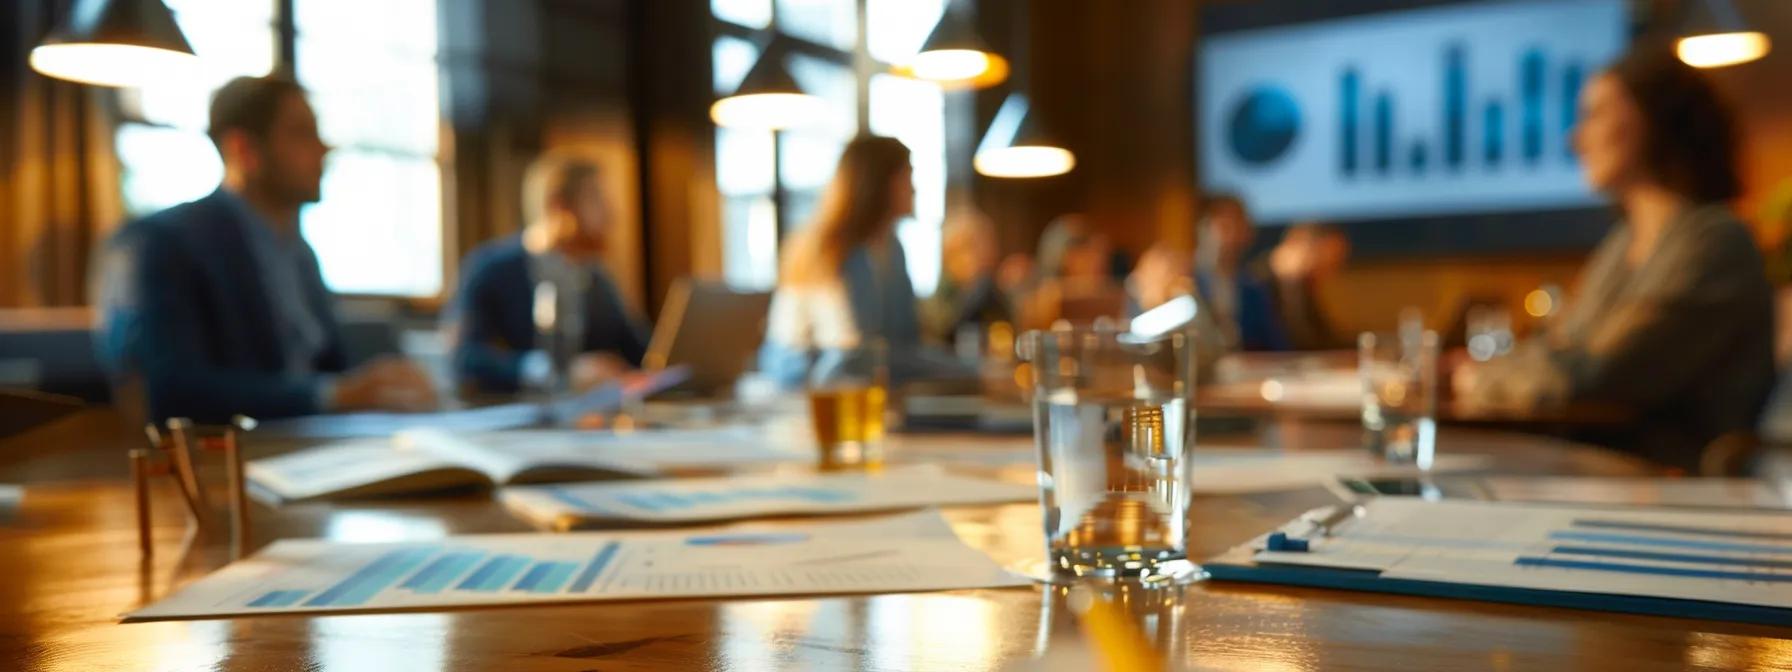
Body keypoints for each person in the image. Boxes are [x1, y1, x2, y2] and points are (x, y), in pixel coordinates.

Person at [1455, 43, 1774, 471]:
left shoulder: (1715, 242)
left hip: (1675, 490)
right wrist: (1515, 371)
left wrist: (1482, 376)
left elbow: (1592, 377)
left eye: (1596, 113)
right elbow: (1558, 350)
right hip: (1597, 471)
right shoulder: (1623, 243)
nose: (1576, 137)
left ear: (1655, 120)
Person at [96, 76, 435, 422]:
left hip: (320, 445)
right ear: (243, 150)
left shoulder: (301, 254)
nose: (323, 150)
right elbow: (171, 391)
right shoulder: (162, 242)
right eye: (303, 133)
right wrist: (336, 394)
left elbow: (330, 366)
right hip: (240, 457)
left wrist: (384, 384)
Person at [759, 135, 972, 387]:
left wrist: (962, 369)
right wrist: (965, 371)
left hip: (871, 391)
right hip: (808, 393)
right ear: (880, 183)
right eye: (907, 177)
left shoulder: (894, 249)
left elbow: (904, 343)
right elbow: (853, 355)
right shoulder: (826, 249)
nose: (915, 188)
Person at [448, 155, 650, 395]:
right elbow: (465, 357)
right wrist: (551, 372)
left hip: (589, 422)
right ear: (559, 207)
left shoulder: (598, 279)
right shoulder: (491, 268)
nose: (611, 213)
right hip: (517, 419)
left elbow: (642, 353)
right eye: (597, 199)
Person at [1193, 194, 1290, 351]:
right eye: (1224, 227)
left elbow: (1277, 345)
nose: (1231, 238)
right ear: (1203, 228)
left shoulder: (1253, 287)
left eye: (1238, 227)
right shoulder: (1183, 281)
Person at [921, 208, 1021, 344]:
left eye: (990, 244)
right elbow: (946, 332)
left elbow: (1010, 327)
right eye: (976, 246)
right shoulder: (945, 294)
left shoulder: (992, 288)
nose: (990, 252)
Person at [1019, 214, 1129, 329]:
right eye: (1090, 254)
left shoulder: (1111, 297)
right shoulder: (1043, 299)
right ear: (1067, 257)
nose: (1100, 263)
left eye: (1102, 255)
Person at [1263, 222, 1350, 350]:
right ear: (1296, 242)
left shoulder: (1302, 289)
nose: (1327, 272)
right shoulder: (1253, 286)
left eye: (1334, 264)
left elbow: (1324, 341)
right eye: (1323, 260)